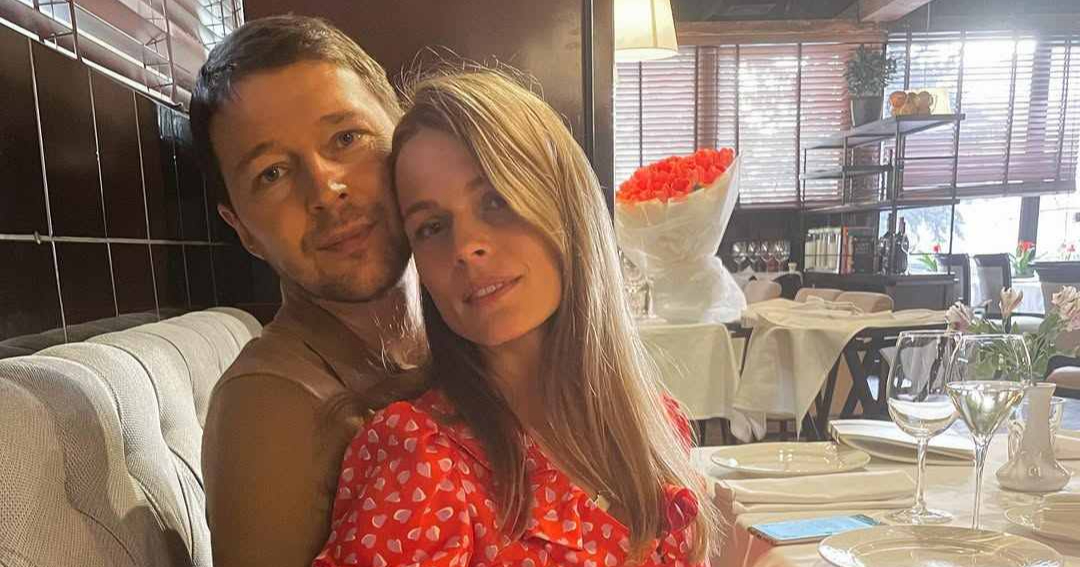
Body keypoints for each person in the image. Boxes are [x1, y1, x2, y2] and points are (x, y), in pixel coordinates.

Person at [313, 70, 720, 567]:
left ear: (566, 205)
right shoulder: (421, 459)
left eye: (496, 201)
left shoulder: (653, 423)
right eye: (432, 226)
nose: (466, 247)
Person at [189, 16, 426, 566]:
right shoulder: (271, 409)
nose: (324, 189)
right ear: (243, 229)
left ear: (403, 136)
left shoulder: (472, 318)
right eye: (271, 173)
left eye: (347, 138)